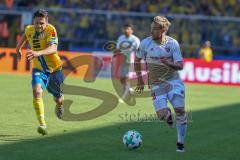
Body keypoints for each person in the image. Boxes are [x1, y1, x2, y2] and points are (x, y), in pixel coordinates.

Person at [134, 16, 187, 152]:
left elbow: (180, 66)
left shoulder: (173, 43)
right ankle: (167, 114)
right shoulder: (145, 43)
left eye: (155, 29)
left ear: (163, 30)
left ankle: (180, 142)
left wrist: (169, 63)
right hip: (157, 85)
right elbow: (137, 60)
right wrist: (140, 80)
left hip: (173, 82)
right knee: (161, 115)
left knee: (180, 111)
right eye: (151, 28)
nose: (151, 32)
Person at [16, 9, 64, 136]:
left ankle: (59, 106)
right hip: (39, 69)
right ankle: (42, 124)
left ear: (46, 22)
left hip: (54, 69)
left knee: (58, 99)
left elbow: (53, 48)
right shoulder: (29, 29)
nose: (39, 26)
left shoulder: (51, 30)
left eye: (42, 23)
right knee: (37, 91)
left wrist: (38, 53)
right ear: (33, 22)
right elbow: (25, 35)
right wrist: (18, 48)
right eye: (37, 23)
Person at [114, 24, 140, 102]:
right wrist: (116, 52)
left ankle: (123, 97)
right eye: (125, 29)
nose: (126, 30)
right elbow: (117, 49)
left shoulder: (135, 39)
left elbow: (139, 50)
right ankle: (130, 90)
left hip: (131, 61)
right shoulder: (121, 38)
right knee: (122, 79)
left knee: (126, 79)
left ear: (132, 31)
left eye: (128, 29)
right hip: (123, 61)